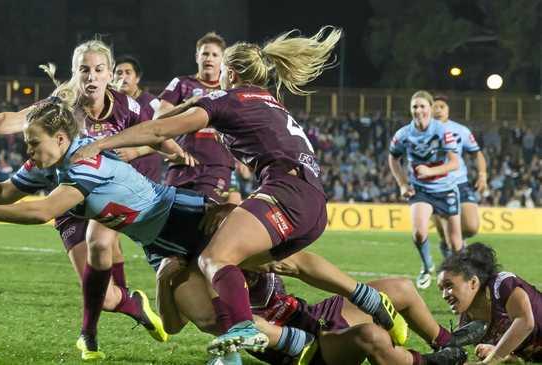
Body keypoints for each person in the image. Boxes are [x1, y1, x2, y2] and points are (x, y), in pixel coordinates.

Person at [69, 26, 408, 358]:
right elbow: (177, 114)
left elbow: (159, 127)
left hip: (279, 192)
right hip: (310, 199)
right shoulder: (266, 98)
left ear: (228, 72)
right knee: (272, 264)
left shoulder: (225, 100)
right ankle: (363, 300)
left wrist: (101, 143)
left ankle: (249, 329)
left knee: (214, 259)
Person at [0, 39, 187, 360]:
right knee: (107, 296)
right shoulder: (61, 107)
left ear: (109, 74)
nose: (91, 76)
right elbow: (17, 119)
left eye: (98, 70)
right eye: (84, 70)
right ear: (74, 73)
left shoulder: (127, 106)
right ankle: (118, 310)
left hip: (104, 193)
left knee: (100, 241)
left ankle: (89, 333)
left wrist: (171, 151)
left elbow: (156, 133)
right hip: (66, 200)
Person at [156, 257, 484, 365]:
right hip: (304, 349)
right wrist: (162, 281)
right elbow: (173, 326)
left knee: (402, 288)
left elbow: (303, 262)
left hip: (313, 314)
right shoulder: (201, 281)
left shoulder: (244, 249)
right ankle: (428, 362)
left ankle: (445, 342)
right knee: (373, 336)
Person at [388, 90, 462, 290]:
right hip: (420, 190)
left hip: (445, 189)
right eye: (415, 106)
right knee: (419, 233)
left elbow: (455, 163)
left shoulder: (442, 131)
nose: (418, 110)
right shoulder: (403, 134)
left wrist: (430, 170)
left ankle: (456, 279)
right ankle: (427, 265)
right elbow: (393, 157)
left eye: (422, 106)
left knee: (456, 245)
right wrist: (403, 183)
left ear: (430, 108)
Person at [156, 32, 236, 203]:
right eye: (205, 53)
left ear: (222, 60)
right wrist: (187, 104)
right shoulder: (182, 83)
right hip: (182, 162)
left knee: (205, 217)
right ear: (197, 56)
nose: (209, 58)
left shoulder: (230, 90)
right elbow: (158, 117)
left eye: (215, 55)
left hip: (217, 165)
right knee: (171, 217)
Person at [437, 243, 542, 364]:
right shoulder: (467, 323)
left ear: (473, 282)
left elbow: (525, 323)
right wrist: (502, 354)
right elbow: (518, 360)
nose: (444, 295)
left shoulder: (502, 285)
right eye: (441, 289)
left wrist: (491, 359)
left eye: (449, 285)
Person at [431, 95, 487, 258]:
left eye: (442, 106)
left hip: (460, 183)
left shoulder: (461, 130)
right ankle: (453, 255)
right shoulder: (421, 131)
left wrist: (482, 175)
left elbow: (477, 154)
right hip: (436, 186)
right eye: (435, 106)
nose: (439, 110)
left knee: (471, 227)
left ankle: (453, 243)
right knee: (446, 235)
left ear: (448, 110)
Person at [112, 55, 164, 183]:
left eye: (128, 73)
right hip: (118, 172)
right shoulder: (109, 104)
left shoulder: (152, 103)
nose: (122, 77)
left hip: (147, 170)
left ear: (137, 78)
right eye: (118, 73)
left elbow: (165, 138)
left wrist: (136, 151)